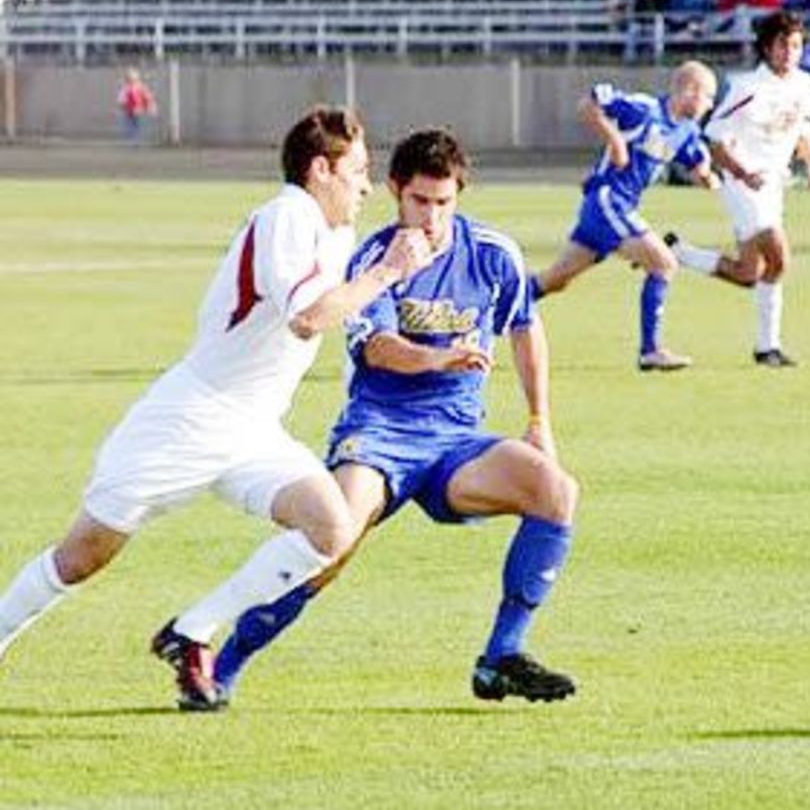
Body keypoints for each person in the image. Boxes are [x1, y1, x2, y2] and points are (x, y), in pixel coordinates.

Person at [153, 128, 581, 711]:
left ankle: (501, 657)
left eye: (443, 202)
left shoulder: (492, 254)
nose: (431, 216)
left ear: (459, 195)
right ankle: (223, 669)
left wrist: (539, 421)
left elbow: (526, 328)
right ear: (395, 192)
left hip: (455, 442)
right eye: (419, 201)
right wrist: (440, 356)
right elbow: (378, 348)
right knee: (327, 546)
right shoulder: (374, 260)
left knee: (554, 491)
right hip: (378, 436)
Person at [0, 107, 433, 681]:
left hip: (252, 429)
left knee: (330, 527)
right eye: (358, 168)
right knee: (83, 555)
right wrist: (385, 273)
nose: (367, 184)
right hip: (189, 417)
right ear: (320, 170)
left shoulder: (337, 232)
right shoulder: (287, 215)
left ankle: (192, 630)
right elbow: (307, 318)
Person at [528, 60, 721, 372]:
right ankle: (650, 351)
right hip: (608, 200)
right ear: (690, 90)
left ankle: (493, 309)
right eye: (708, 96)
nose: (710, 104)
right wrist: (615, 139)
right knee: (664, 263)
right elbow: (589, 102)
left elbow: (700, 170)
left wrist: (711, 178)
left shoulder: (686, 131)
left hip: (615, 208)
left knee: (555, 280)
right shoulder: (644, 109)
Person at [665, 11, 810, 367]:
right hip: (743, 185)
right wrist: (742, 172)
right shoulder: (748, 88)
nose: (790, 52)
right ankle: (768, 348)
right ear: (767, 47)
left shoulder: (806, 84)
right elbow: (713, 134)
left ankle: (681, 253)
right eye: (783, 44)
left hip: (774, 184)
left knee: (750, 273)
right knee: (780, 257)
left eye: (796, 45)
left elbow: (803, 129)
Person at [117, 67, 158, 143]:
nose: (131, 80)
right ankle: (134, 139)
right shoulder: (126, 88)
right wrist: (122, 105)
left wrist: (151, 107)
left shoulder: (140, 87)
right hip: (130, 109)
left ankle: (137, 139)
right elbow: (122, 98)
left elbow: (148, 97)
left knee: (137, 125)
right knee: (130, 125)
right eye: (129, 78)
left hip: (138, 109)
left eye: (132, 78)